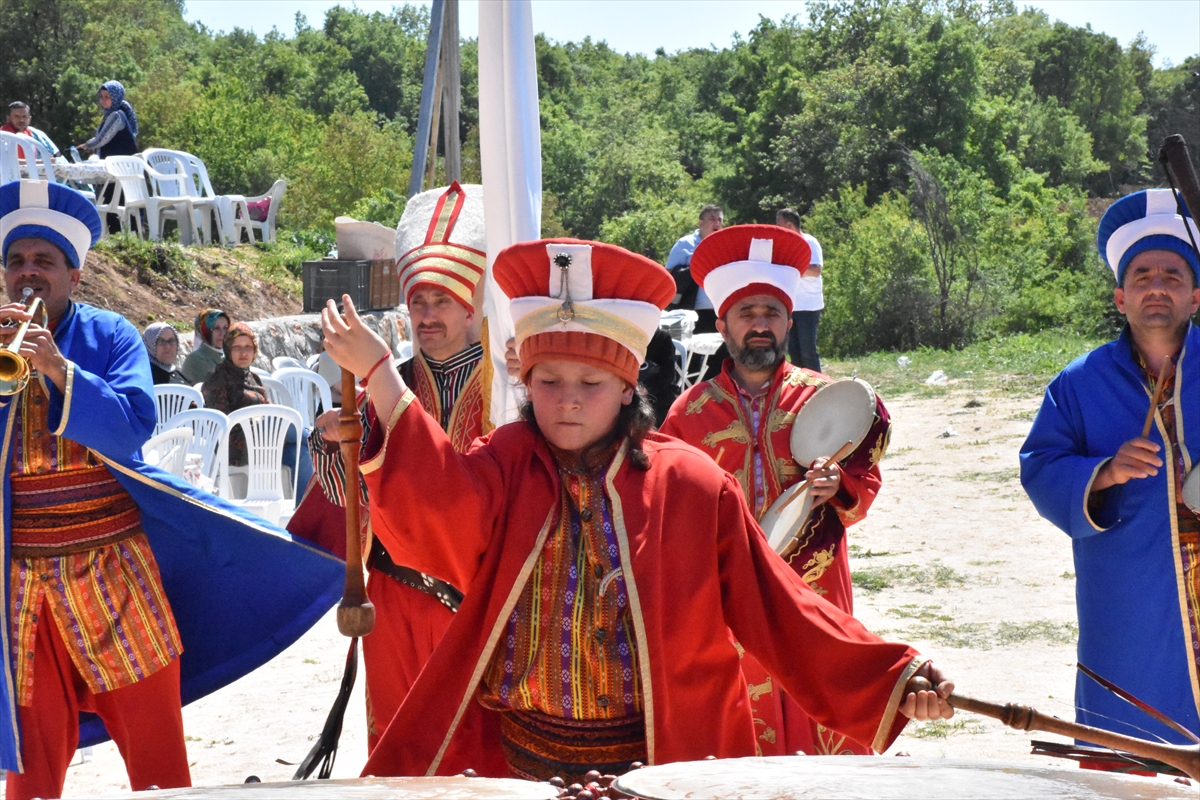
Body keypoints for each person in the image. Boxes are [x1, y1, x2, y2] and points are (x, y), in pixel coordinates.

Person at [320, 238, 953, 783]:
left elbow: (778, 605)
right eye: (548, 382)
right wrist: (382, 374)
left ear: (628, 387)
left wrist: (893, 677)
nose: (567, 402)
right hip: (515, 766)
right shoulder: (505, 460)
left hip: (661, 768)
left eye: (590, 385)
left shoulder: (690, 485)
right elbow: (441, 512)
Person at [0, 179, 343, 799]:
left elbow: (132, 430)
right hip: (20, 588)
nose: (29, 275)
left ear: (73, 277)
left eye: (43, 262)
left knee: (157, 762)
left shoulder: (110, 337)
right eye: (17, 262)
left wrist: (57, 367)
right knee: (30, 769)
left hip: (112, 573)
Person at [659, 224, 891, 757]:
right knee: (743, 713)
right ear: (722, 324)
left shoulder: (825, 399)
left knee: (817, 695)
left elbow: (866, 478)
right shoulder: (689, 413)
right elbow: (667, 497)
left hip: (814, 582)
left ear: (790, 321)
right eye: (747, 315)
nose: (759, 326)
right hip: (729, 584)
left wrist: (840, 487)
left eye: (771, 314)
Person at [299, 181, 489, 752]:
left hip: (477, 602)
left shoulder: (509, 387)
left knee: (476, 755)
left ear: (470, 305)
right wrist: (333, 442)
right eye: (418, 303)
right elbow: (345, 497)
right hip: (393, 596)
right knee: (397, 751)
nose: (427, 315)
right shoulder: (390, 381)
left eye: (442, 302)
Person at [1021, 188, 1200, 748]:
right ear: (1121, 298)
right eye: (1142, 274)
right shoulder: (1080, 382)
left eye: (1173, 275)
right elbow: (1041, 464)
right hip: (1129, 583)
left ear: (1195, 297)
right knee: (1132, 728)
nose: (1156, 285)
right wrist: (1103, 473)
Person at [202, 322, 268, 467]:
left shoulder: (253, 377)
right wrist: (256, 425)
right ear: (228, 349)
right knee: (301, 436)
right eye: (237, 347)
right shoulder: (217, 377)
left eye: (248, 347)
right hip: (234, 444)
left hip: (262, 437)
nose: (243, 353)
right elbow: (220, 421)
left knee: (298, 450)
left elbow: (269, 410)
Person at [775, 208, 825, 372]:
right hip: (790, 306)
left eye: (779, 224)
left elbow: (815, 270)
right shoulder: (783, 245)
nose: (776, 228)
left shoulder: (809, 242)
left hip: (808, 306)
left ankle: (818, 390)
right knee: (794, 353)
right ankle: (800, 392)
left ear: (789, 225)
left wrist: (792, 268)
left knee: (808, 353)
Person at [666, 204, 723, 330]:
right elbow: (668, 276)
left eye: (719, 220)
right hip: (691, 311)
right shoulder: (685, 244)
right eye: (712, 219)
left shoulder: (725, 246)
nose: (717, 223)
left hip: (719, 312)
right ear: (700, 223)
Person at [181, 307, 229, 384]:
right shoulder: (195, 360)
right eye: (216, 328)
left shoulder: (228, 356)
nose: (222, 333)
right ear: (205, 331)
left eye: (225, 328)